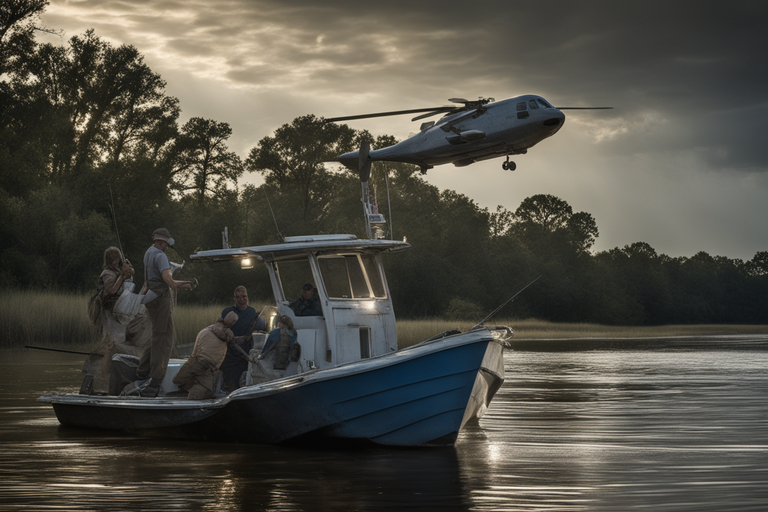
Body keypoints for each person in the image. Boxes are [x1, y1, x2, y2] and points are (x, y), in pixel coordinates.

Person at [125, 228, 193, 397]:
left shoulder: (149, 252)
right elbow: (168, 281)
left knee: (157, 334)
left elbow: (151, 280)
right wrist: (187, 282)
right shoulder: (161, 256)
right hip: (160, 298)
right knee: (164, 339)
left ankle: (142, 370)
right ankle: (155, 381)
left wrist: (183, 285)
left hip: (150, 298)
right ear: (165, 242)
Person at [173, 311, 238, 399]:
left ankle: (198, 387)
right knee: (189, 389)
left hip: (200, 364)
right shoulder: (223, 331)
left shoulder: (209, 329)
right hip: (203, 366)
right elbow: (222, 333)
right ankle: (198, 388)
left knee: (180, 381)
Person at [219, 286, 264, 392]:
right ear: (235, 299)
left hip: (247, 347)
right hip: (231, 348)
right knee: (230, 378)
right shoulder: (228, 311)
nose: (241, 299)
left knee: (245, 377)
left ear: (247, 297)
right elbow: (222, 327)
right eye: (238, 297)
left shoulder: (252, 312)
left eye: (244, 296)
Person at [100, 246, 135, 311]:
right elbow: (112, 291)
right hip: (110, 304)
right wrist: (122, 275)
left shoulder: (118, 269)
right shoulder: (107, 273)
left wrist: (128, 270)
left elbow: (131, 273)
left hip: (122, 302)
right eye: (115, 258)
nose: (118, 260)